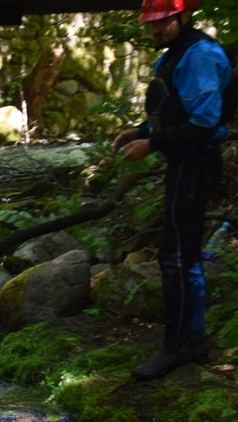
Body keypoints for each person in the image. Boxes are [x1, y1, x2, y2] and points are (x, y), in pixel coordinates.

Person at [111, 0, 231, 380]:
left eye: (163, 21)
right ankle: (192, 342)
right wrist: (141, 132)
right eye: (152, 23)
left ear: (183, 16)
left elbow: (203, 124)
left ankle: (177, 346)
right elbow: (173, 110)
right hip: (184, 162)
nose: (157, 29)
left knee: (176, 259)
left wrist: (153, 145)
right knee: (182, 256)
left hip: (196, 163)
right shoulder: (173, 55)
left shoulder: (200, 55)